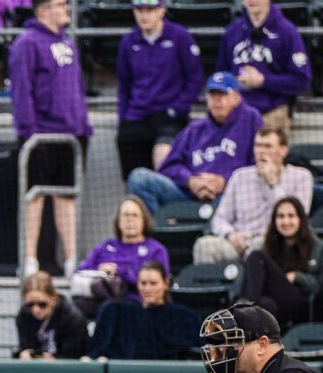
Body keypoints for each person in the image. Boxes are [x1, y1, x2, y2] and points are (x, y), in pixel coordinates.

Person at [10, 0, 93, 278]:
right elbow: (22, 92)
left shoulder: (68, 42)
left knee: (67, 196)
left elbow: (78, 88)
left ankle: (70, 260)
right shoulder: (27, 43)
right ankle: (30, 260)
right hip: (41, 134)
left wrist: (83, 125)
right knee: (35, 197)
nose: (67, 8)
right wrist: (29, 132)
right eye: (61, 4)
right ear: (43, 9)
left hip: (72, 133)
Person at [126, 72, 264, 215]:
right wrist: (191, 181)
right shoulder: (195, 129)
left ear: (237, 97)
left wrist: (226, 182)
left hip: (230, 196)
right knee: (139, 179)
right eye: (212, 95)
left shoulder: (250, 120)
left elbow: (258, 165)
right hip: (190, 197)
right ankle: (160, 233)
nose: (217, 100)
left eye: (222, 95)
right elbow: (168, 166)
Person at [191, 127, 313, 265]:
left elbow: (299, 217)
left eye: (268, 146)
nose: (261, 151)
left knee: (259, 248)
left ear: (283, 151)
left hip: (275, 243)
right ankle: (210, 286)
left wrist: (273, 184)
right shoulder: (240, 176)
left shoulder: (302, 176)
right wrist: (230, 234)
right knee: (205, 246)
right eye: (258, 145)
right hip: (239, 241)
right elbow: (220, 218)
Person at [115, 0, 202, 180]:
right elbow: (124, 84)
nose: (144, 15)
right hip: (136, 116)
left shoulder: (180, 36)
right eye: (139, 10)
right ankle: (135, 206)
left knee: (163, 160)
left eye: (149, 10)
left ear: (161, 11)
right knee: (133, 175)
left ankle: (167, 206)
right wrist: (124, 116)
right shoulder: (128, 41)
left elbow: (195, 78)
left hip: (168, 115)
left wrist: (177, 108)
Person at [216, 0, 311, 133]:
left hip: (272, 112)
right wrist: (233, 83)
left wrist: (263, 81)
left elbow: (301, 81)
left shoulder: (287, 32)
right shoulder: (232, 32)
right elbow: (220, 77)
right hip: (236, 112)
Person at [72, 196, 170, 318]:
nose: (129, 219)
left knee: (112, 308)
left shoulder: (156, 250)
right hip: (101, 300)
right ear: (118, 221)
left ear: (144, 220)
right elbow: (79, 273)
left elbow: (160, 284)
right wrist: (99, 272)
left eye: (134, 215)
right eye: (125, 215)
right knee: (72, 306)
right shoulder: (104, 247)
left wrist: (120, 273)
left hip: (137, 303)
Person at [86, 261, 200, 359]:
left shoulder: (182, 316)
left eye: (153, 283)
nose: (147, 289)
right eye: (143, 283)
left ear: (166, 283)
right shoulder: (120, 312)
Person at [238, 197, 322, 327]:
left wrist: (296, 276)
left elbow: (317, 287)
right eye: (280, 216)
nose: (285, 221)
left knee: (256, 257)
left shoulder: (317, 247)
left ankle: (242, 314)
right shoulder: (269, 246)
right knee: (265, 304)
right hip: (276, 304)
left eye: (291, 216)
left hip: (302, 303)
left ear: (301, 219)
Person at [15, 271, 88, 359]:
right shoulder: (24, 315)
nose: (36, 310)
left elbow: (73, 356)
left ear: (53, 299)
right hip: (34, 367)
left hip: (66, 368)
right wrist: (24, 353)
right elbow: (25, 346)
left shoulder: (72, 318)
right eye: (30, 305)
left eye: (42, 304)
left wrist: (52, 359)